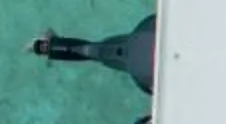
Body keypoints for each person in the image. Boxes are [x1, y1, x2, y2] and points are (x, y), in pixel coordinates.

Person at [28, 15, 157, 95]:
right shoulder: (147, 27)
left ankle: (50, 47)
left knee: (95, 51)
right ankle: (50, 46)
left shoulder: (143, 79)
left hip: (136, 58)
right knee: (95, 51)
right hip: (136, 54)